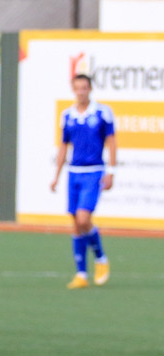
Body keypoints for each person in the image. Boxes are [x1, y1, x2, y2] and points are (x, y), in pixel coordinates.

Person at [50, 73, 116, 289]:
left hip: (94, 171)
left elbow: (111, 141)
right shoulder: (67, 115)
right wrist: (56, 176)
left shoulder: (102, 112)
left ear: (90, 89)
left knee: (83, 218)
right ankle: (81, 274)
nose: (81, 91)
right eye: (77, 87)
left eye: (84, 87)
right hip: (74, 172)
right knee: (76, 225)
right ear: (73, 89)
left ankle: (100, 257)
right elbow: (64, 146)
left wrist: (111, 171)